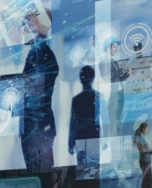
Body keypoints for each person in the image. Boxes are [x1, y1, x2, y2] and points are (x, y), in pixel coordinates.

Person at [21, 8, 59, 172]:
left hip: (37, 126)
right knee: (38, 172)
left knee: (41, 173)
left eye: (28, 22)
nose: (24, 28)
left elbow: (35, 92)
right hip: (35, 126)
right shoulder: (37, 53)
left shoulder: (41, 54)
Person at [99, 36, 131, 137]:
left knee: (118, 120)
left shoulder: (113, 62)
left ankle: (118, 138)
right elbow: (108, 79)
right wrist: (119, 71)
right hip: (112, 95)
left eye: (116, 47)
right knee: (114, 121)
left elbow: (117, 79)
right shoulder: (103, 61)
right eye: (114, 47)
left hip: (119, 92)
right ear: (108, 48)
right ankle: (113, 142)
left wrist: (126, 74)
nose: (116, 49)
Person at [68, 65, 100, 156]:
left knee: (83, 167)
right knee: (92, 167)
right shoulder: (97, 96)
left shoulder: (76, 99)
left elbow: (72, 123)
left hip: (83, 137)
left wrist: (70, 143)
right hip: (91, 137)